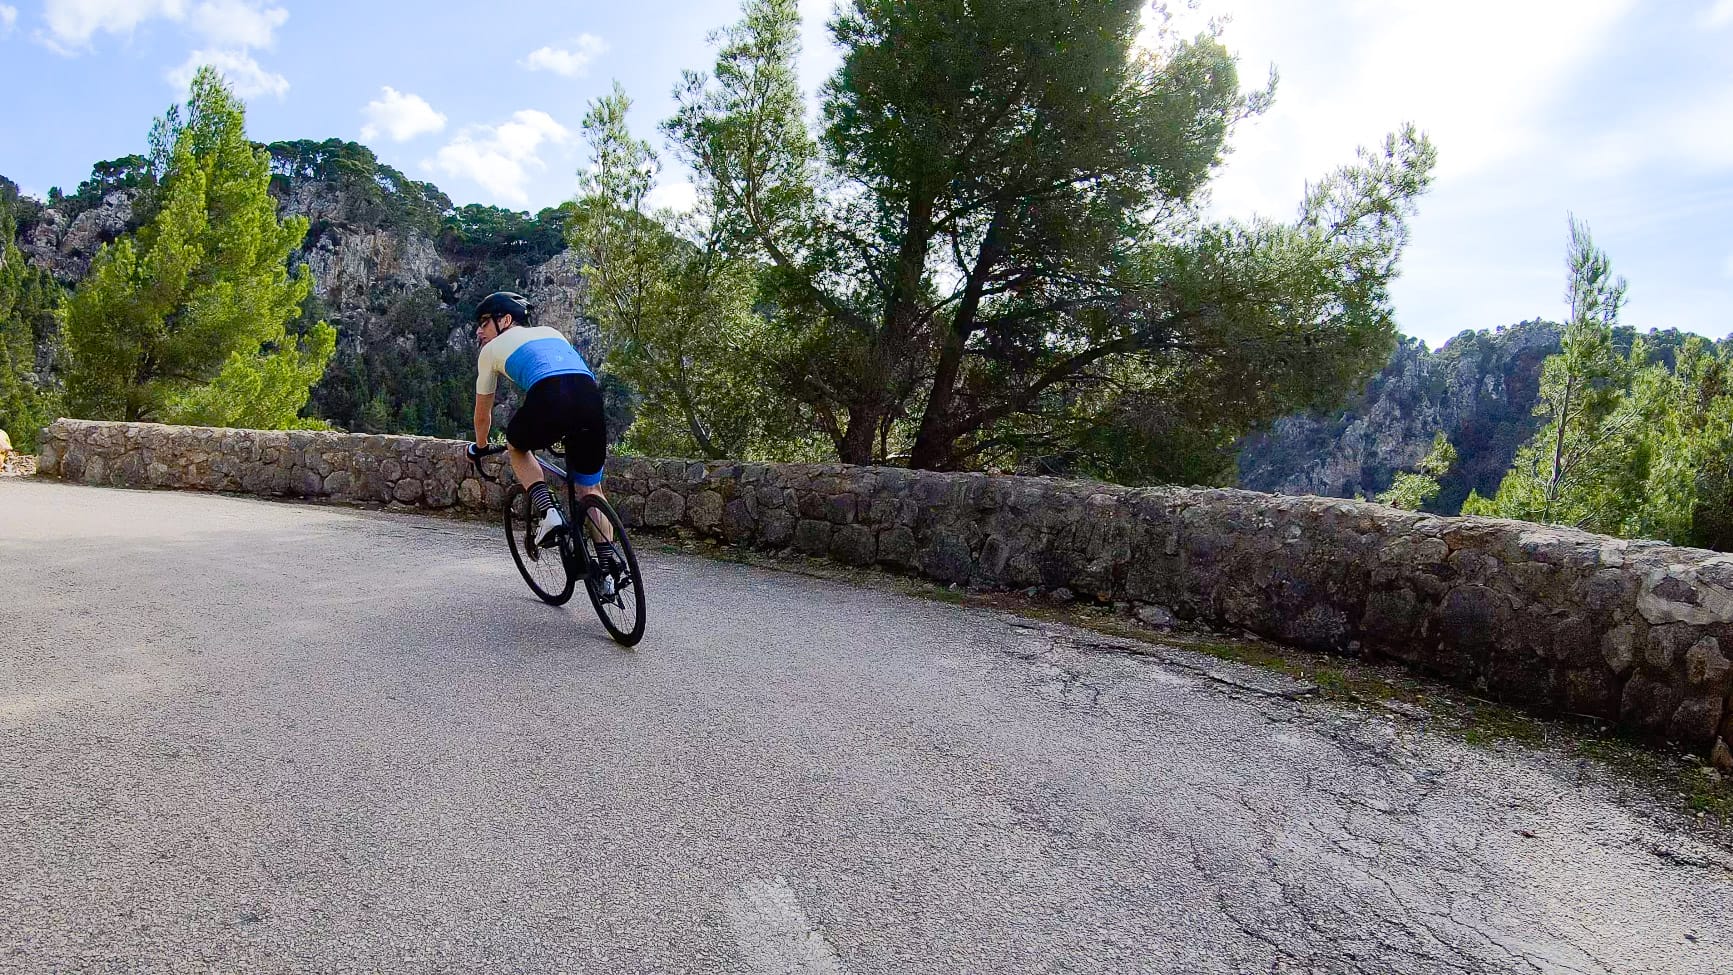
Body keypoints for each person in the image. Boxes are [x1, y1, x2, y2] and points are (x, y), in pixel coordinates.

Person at [466, 291, 609, 548]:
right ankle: (610, 571)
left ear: (506, 320)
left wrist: (480, 446)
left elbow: (482, 415)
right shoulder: (553, 332)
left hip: (550, 395)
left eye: (484, 322)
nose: (479, 331)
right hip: (590, 397)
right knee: (591, 490)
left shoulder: (489, 352)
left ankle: (548, 511)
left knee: (516, 445)